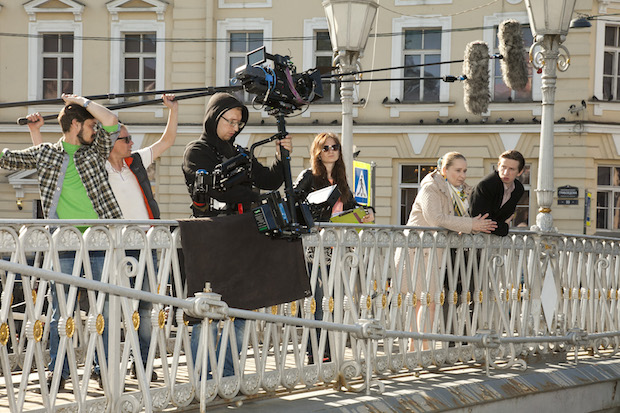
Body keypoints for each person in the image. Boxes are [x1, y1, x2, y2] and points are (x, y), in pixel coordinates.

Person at [28, 94, 179, 383]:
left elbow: (166, 142)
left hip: (146, 244)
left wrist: (174, 110)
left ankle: (141, 365)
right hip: (110, 245)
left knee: (144, 309)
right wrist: (38, 131)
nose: (130, 143)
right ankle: (84, 369)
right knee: (92, 309)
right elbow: (52, 166)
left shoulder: (134, 163)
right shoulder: (95, 166)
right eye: (125, 139)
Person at [1, 94, 121, 391]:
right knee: (60, 310)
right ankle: (60, 370)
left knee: (102, 309)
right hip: (64, 241)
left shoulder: (95, 151)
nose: (95, 130)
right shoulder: (46, 153)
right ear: (75, 125)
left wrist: (84, 101)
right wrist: (35, 132)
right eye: (89, 125)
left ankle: (102, 369)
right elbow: (7, 158)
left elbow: (112, 121)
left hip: (100, 239)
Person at [181, 92, 292, 378]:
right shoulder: (197, 150)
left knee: (242, 311)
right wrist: (251, 192)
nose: (234, 127)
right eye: (229, 121)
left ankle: (228, 375)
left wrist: (281, 158)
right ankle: (202, 378)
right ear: (213, 117)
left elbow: (268, 179)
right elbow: (212, 190)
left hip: (243, 238)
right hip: (210, 239)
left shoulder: (240, 153)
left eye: (239, 123)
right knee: (204, 313)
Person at [293, 132, 374, 364]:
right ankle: (315, 352)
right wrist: (312, 221)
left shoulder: (341, 181)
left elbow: (353, 206)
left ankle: (328, 350)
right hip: (315, 248)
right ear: (317, 152)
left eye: (335, 147)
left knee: (335, 301)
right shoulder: (308, 176)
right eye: (325, 147)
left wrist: (369, 211)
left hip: (338, 249)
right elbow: (295, 202)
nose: (331, 151)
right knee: (317, 301)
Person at [403, 151, 497, 350]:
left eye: (464, 170)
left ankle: (415, 349)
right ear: (444, 170)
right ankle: (421, 349)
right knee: (426, 301)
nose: (462, 175)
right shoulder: (431, 188)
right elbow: (436, 218)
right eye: (458, 170)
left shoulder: (458, 192)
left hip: (432, 251)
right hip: (419, 250)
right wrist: (471, 224)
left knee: (425, 301)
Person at [469, 150, 525, 236]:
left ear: (520, 172)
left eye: (511, 169)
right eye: (503, 167)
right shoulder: (486, 185)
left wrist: (501, 225)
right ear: (498, 166)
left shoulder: (518, 189)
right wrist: (504, 228)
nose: (506, 173)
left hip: (495, 242)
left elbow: (505, 217)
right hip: (472, 238)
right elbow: (481, 223)